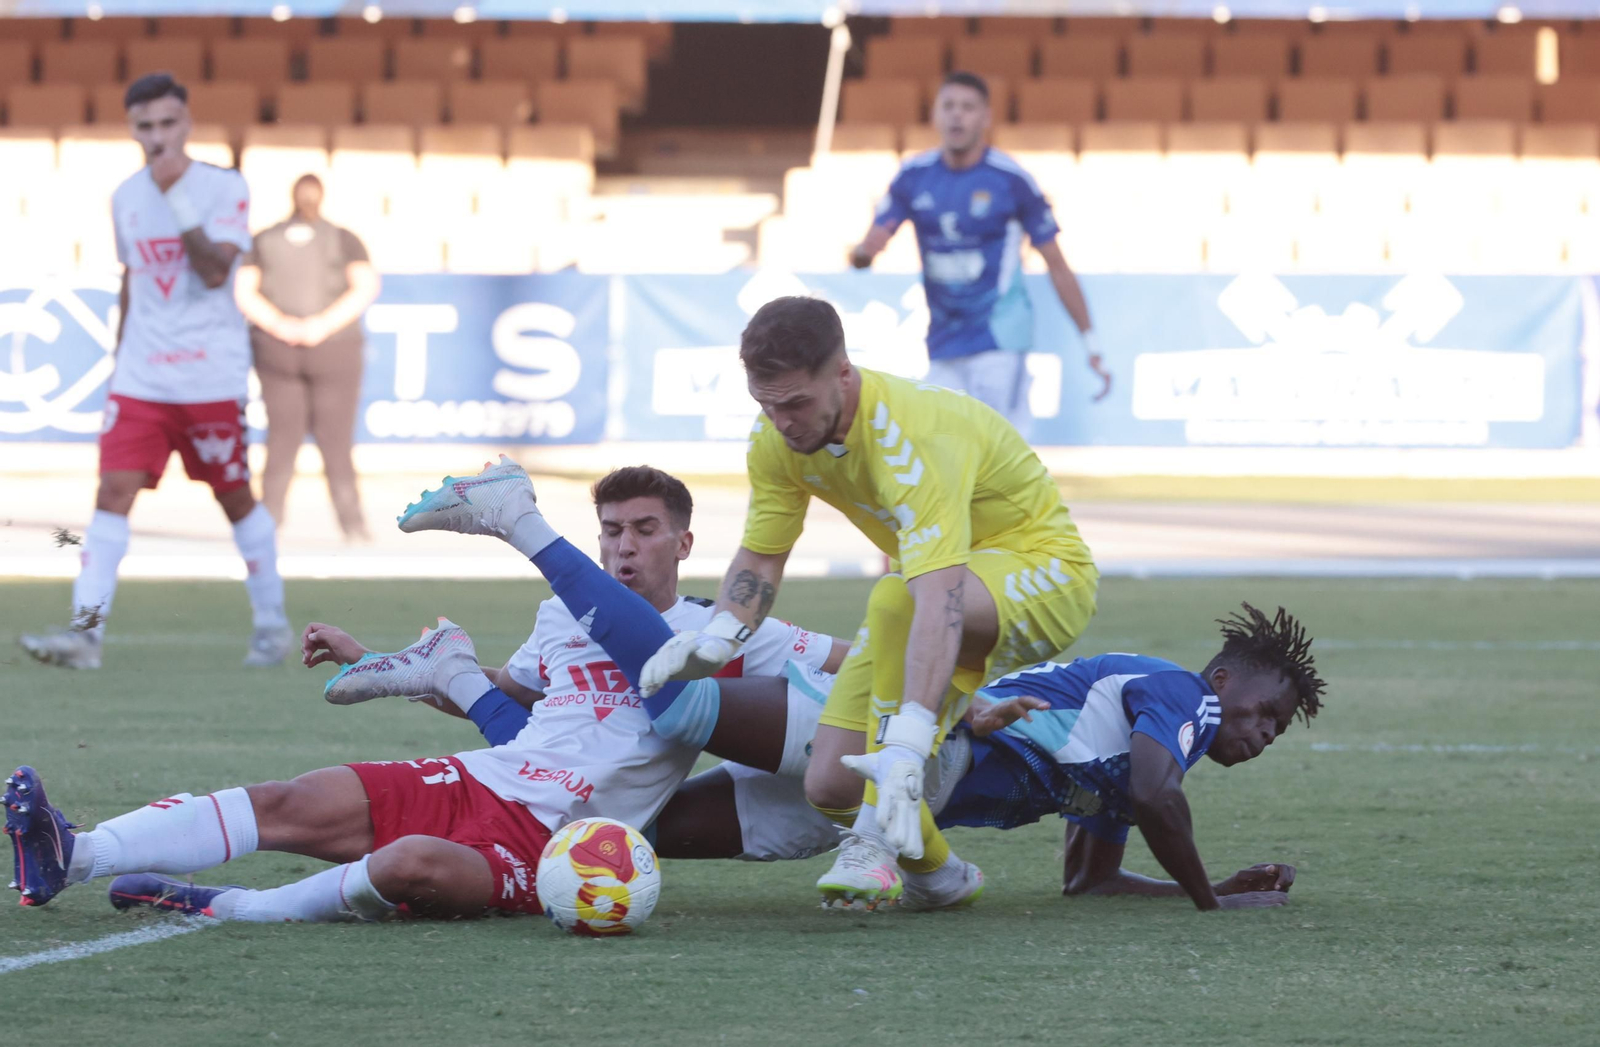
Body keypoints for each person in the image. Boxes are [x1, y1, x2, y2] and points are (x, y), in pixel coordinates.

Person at [3, 461, 845, 920]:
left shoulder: (733, 631)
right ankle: (72, 853)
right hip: (485, 779)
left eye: (644, 531)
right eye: (612, 531)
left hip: (552, 841)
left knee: (406, 866)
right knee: (292, 796)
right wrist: (390, 660)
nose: (625, 547)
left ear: (684, 541)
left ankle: (231, 908)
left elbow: (852, 658)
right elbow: (503, 707)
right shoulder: (560, 616)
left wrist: (949, 670)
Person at [637, 294, 1100, 911]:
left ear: (844, 374)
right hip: (924, 599)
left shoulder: (917, 437)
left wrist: (909, 746)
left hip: (1048, 575)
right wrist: (718, 635)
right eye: (766, 406)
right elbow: (762, 554)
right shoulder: (777, 438)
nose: (783, 423)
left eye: (797, 403)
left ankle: (874, 839)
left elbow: (938, 597)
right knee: (830, 782)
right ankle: (940, 877)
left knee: (894, 601)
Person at [19, 73, 290, 670]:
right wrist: (120, 361)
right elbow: (131, 279)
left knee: (235, 496)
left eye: (168, 124)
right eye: (145, 127)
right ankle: (85, 634)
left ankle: (271, 624)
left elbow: (215, 271)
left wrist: (179, 198)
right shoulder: (125, 196)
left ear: (187, 124)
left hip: (209, 377)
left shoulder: (222, 188)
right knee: (112, 493)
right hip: (142, 379)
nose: (158, 137)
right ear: (132, 130)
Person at [849, 71, 1111, 434]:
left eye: (968, 107)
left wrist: (1090, 340)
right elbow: (868, 248)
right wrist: (863, 252)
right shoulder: (913, 176)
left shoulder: (1011, 180)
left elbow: (1058, 266)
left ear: (986, 118)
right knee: (939, 447)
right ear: (935, 115)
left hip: (999, 337)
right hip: (943, 339)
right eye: (949, 106)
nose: (957, 115)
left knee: (991, 449)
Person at [234, 174, 381, 540]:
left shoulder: (264, 239)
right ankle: (354, 527)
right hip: (334, 349)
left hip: (277, 348)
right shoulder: (343, 238)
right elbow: (365, 286)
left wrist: (280, 325)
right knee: (336, 443)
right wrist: (321, 325)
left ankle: (267, 526)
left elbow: (244, 291)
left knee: (281, 439)